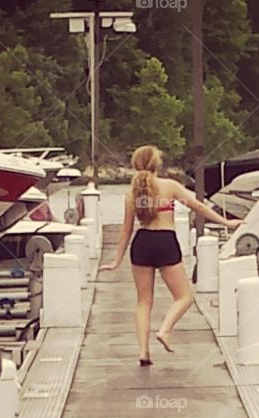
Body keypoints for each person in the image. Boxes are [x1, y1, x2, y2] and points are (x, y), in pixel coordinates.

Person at [100, 144, 240, 366]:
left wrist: (116, 260)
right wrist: (226, 222)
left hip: (142, 243)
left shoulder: (132, 193)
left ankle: (143, 352)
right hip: (165, 242)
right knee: (184, 297)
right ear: (158, 164)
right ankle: (165, 330)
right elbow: (198, 207)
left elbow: (126, 230)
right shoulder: (170, 186)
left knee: (143, 302)